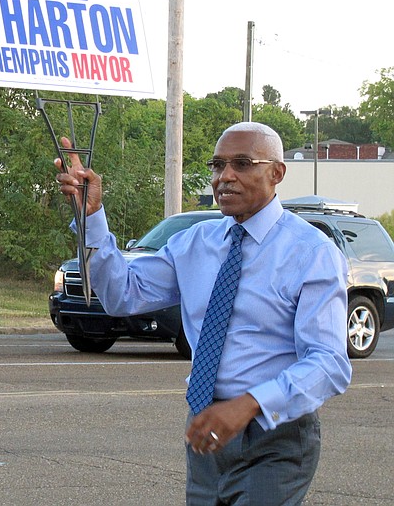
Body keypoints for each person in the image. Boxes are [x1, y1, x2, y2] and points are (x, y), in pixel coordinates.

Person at [55, 122, 351, 505]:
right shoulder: (195, 244)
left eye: (242, 164)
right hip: (207, 433)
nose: (224, 177)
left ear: (276, 173)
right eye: (217, 165)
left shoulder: (311, 252)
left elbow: (329, 364)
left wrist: (247, 405)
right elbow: (122, 295)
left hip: (276, 437)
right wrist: (92, 216)